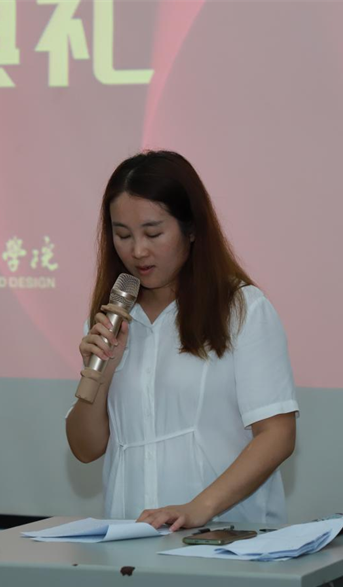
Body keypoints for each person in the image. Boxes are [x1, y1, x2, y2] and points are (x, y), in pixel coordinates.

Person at [66, 150, 298, 532]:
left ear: (191, 229)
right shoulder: (112, 317)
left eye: (153, 233)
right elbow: (85, 448)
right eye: (122, 235)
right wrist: (101, 374)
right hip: (130, 543)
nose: (137, 250)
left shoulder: (242, 309)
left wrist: (197, 508)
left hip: (226, 541)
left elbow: (278, 434)